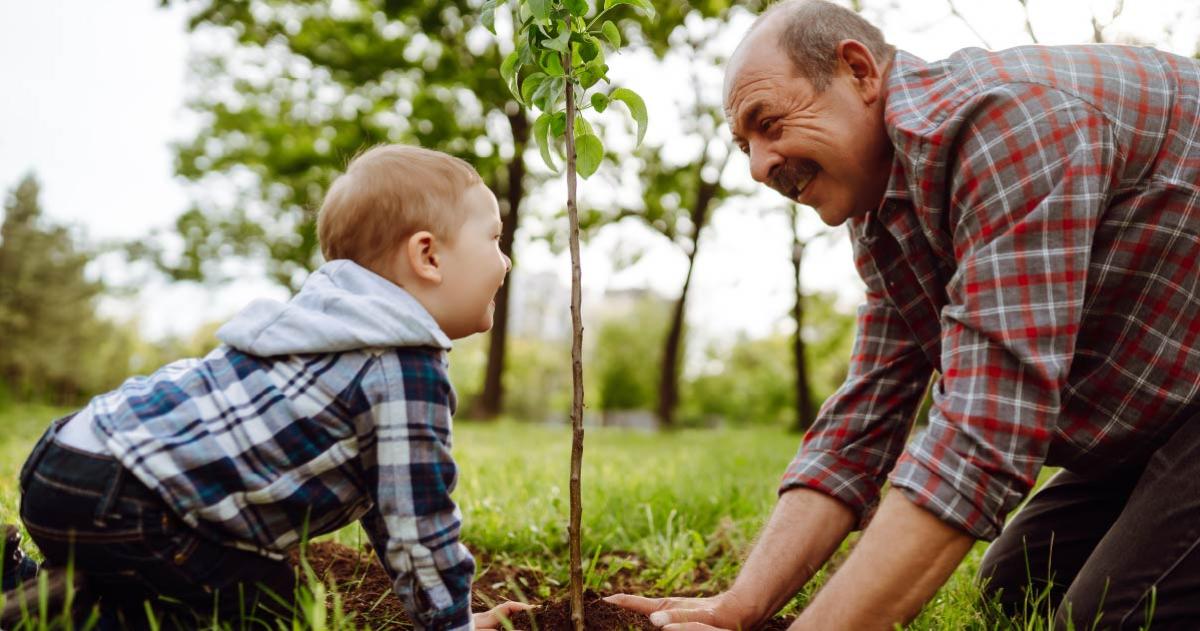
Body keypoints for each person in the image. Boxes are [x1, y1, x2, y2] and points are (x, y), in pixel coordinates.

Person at [607, 0, 1200, 629]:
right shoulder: (885, 211)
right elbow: (865, 419)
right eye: (745, 143)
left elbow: (987, 424)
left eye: (769, 123)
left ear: (859, 71)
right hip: (1168, 413)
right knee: (1014, 584)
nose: (757, 167)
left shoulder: (1010, 125)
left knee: (1115, 614)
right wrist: (741, 605)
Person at [5, 144, 529, 630]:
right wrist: (452, 623)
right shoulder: (403, 364)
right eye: (494, 239)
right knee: (275, 609)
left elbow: (390, 504)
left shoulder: (325, 323)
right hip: (134, 504)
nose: (505, 261)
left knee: (203, 576)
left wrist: (442, 614)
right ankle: (71, 616)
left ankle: (22, 583)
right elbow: (420, 520)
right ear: (428, 256)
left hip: (69, 463)